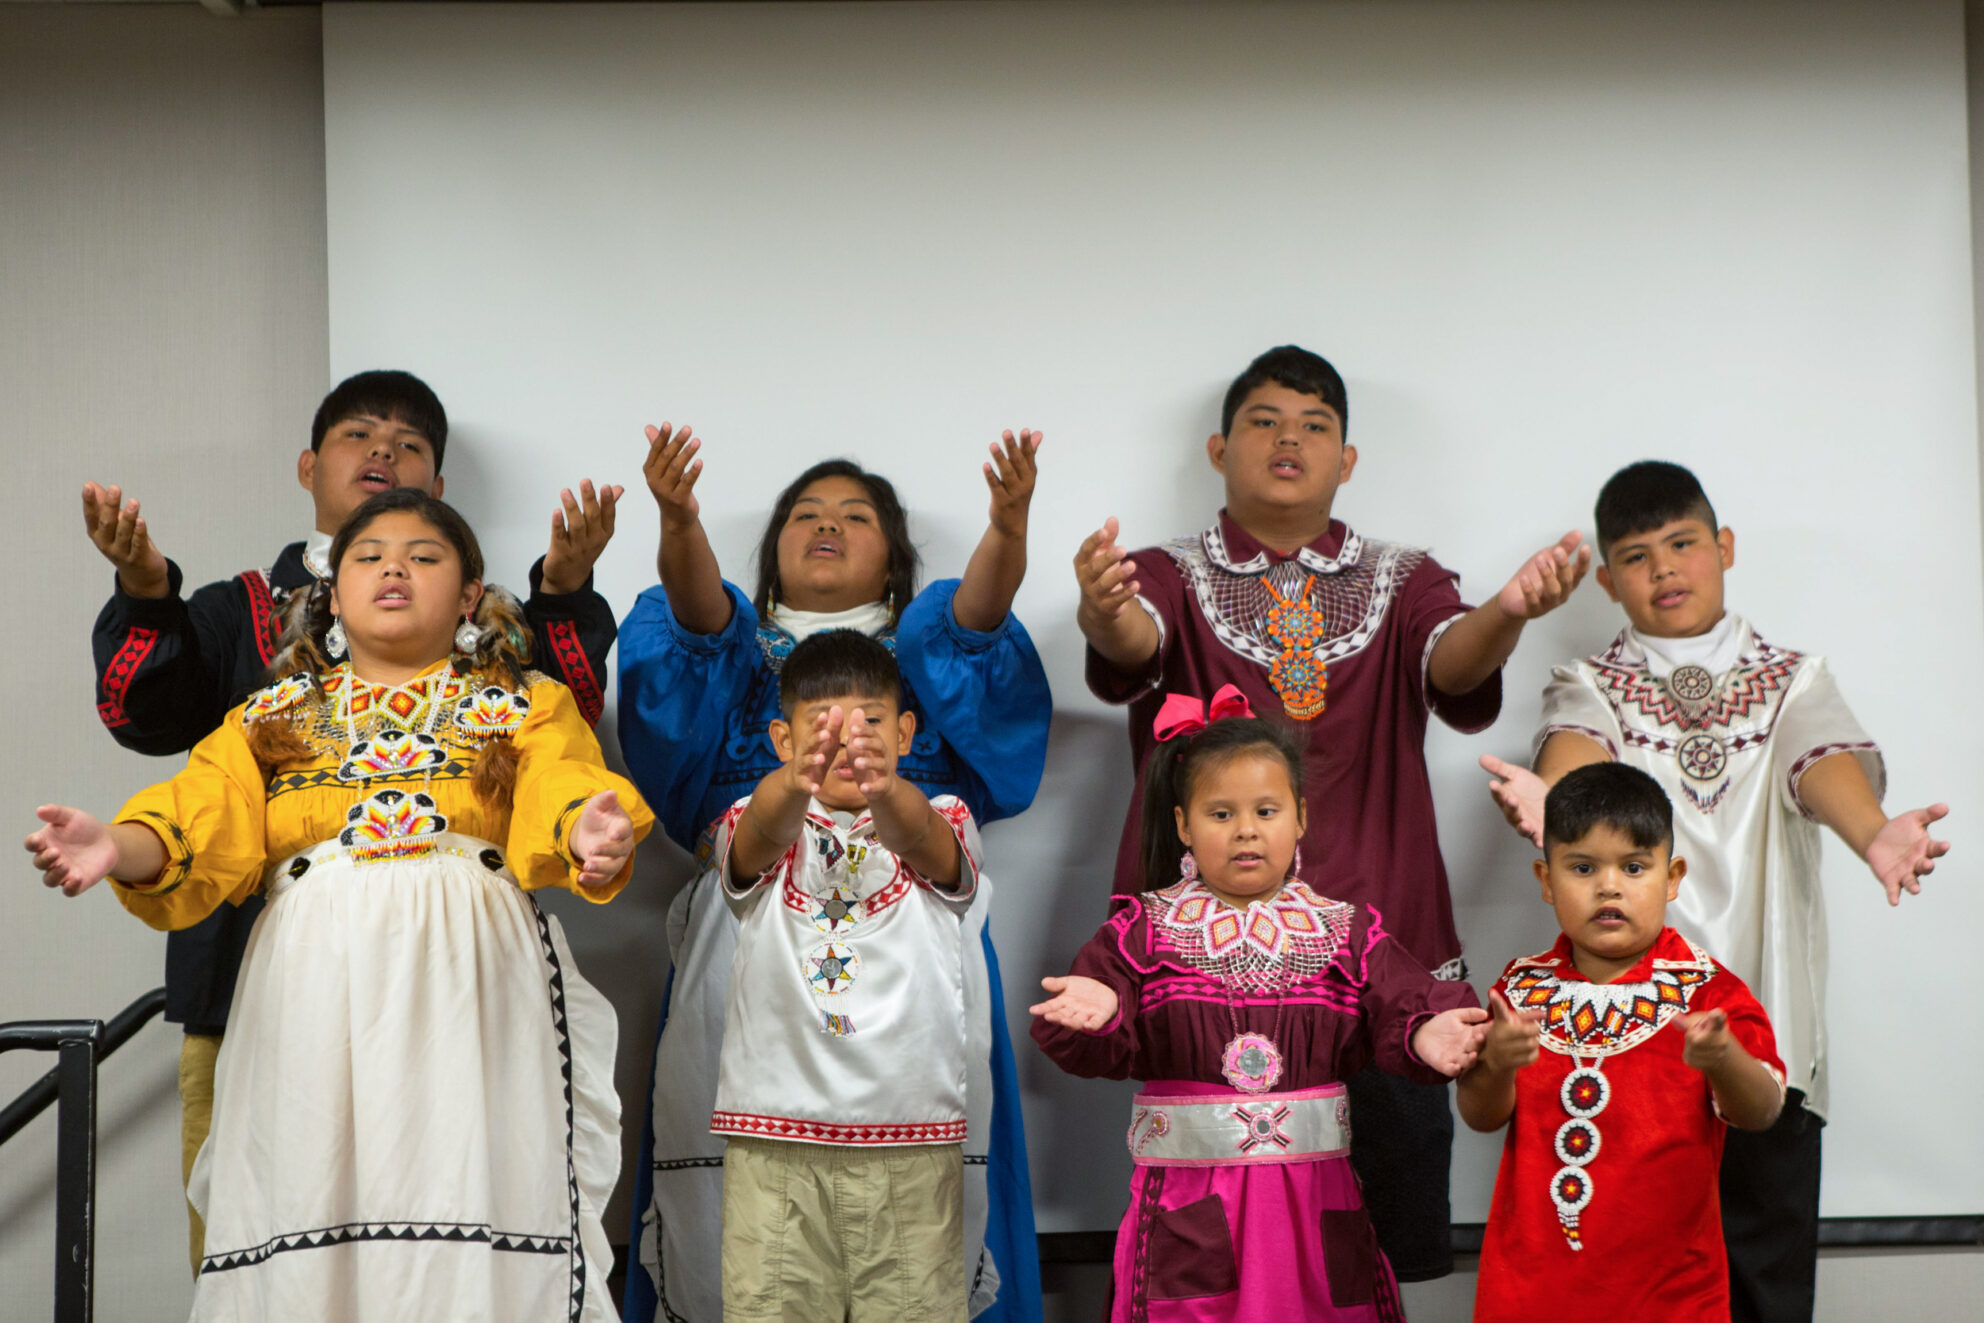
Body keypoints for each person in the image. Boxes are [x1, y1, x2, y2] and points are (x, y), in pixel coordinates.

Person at [29, 489, 652, 1322]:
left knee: (475, 1196)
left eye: (425, 556)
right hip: (311, 994)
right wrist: (117, 844)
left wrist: (593, 831)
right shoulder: (270, 717)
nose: (395, 566)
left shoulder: (526, 705)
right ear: (330, 595)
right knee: (308, 1202)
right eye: (369, 555)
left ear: (470, 596)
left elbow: (568, 787)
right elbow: (195, 815)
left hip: (471, 989)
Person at [1072, 344, 1587, 1280]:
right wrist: (1102, 609)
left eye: (1315, 426)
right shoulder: (1168, 571)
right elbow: (1131, 644)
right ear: (1219, 447)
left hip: (1379, 950)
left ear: (1347, 459)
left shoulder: (1404, 576)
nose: (1289, 440)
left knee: (1377, 1248)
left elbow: (1452, 665)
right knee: (1212, 1250)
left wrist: (1507, 610)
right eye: (1265, 421)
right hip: (1207, 961)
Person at [1478, 460, 1949, 1323]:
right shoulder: (1589, 682)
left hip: (1762, 1028)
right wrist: (1555, 803)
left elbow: (1821, 760)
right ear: (1611, 581)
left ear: (1723, 547)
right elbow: (1576, 753)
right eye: (1637, 554)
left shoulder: (1795, 677)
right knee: (1626, 1281)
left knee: (1764, 1284)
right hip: (1629, 1050)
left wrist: (1871, 831)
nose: (1664, 568)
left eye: (1683, 543)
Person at [616, 425, 1051, 1322]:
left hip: (916, 940)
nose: (828, 524)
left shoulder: (927, 647)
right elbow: (697, 615)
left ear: (893, 559)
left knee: (921, 1245)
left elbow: (975, 619)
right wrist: (677, 517)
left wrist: (1007, 525)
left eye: (857, 515)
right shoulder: (731, 646)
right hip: (750, 941)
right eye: (806, 513)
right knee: (755, 1244)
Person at [1032, 692, 1488, 1323]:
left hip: (1313, 1201)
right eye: (1221, 813)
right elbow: (1103, 1027)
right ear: (1184, 825)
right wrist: (1102, 1007)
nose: (1246, 828)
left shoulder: (1346, 931)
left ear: (1300, 818)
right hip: (1188, 1206)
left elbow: (1402, 1002)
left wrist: (1427, 1031)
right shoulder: (1142, 931)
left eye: (1266, 810)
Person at [706, 630, 982, 1321]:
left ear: (908, 732)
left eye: (871, 722)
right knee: (769, 1306)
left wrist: (887, 791)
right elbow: (758, 840)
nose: (846, 743)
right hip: (774, 1137)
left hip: (908, 1135)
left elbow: (923, 842)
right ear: (781, 739)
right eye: (822, 728)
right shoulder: (759, 816)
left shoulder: (945, 816)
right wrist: (791, 785)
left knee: (915, 1307)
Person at [1461, 763, 1786, 1322]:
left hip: (1671, 1298)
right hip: (1530, 1295)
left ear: (1672, 876)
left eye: (1634, 867)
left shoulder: (1710, 992)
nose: (1608, 885)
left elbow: (1763, 1110)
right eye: (1582, 867)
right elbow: (1481, 1116)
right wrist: (1497, 1062)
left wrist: (1724, 1060)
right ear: (1545, 880)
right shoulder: (1519, 988)